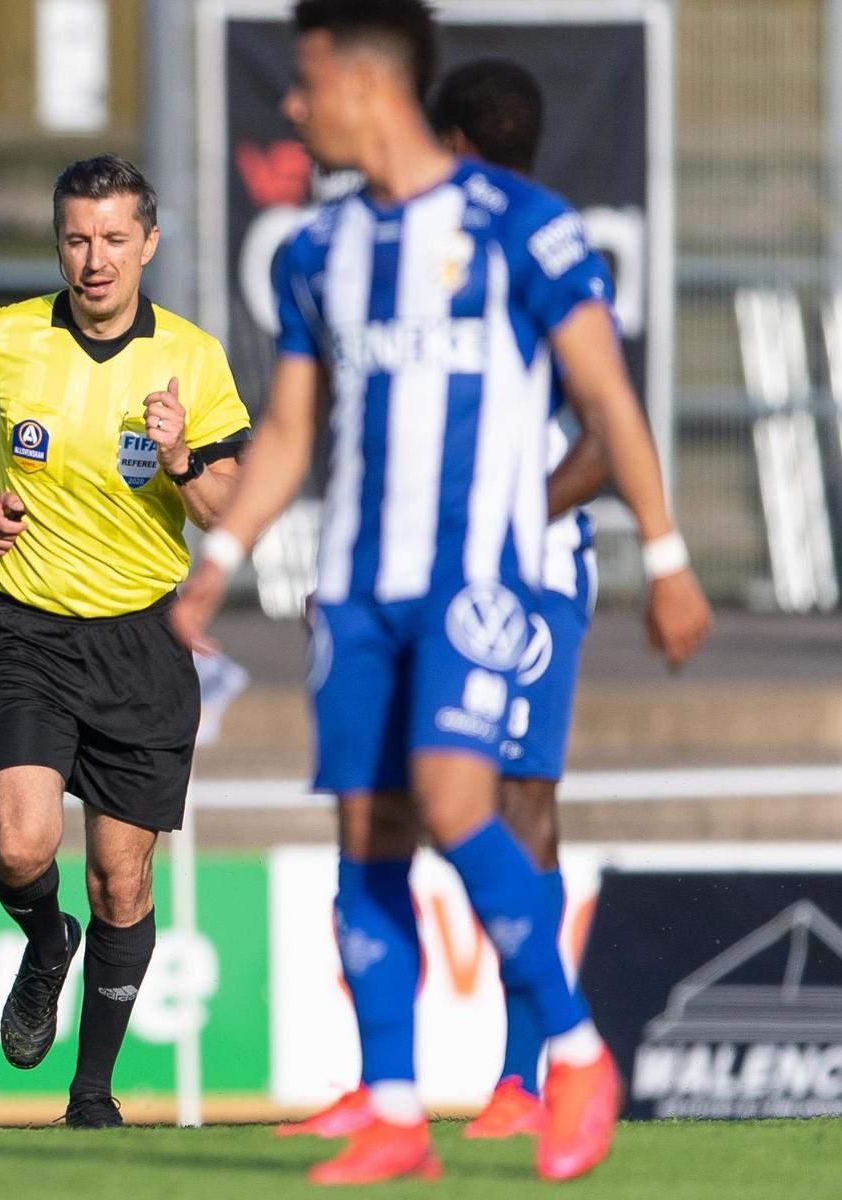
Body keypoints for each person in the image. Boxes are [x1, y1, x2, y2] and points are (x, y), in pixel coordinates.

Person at [171, 0, 712, 1184]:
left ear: (367, 85)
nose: (295, 108)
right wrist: (219, 564)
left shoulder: (523, 225)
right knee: (367, 834)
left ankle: (574, 1054)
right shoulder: (321, 250)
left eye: (308, 85)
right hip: (358, 589)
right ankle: (399, 1109)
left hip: (478, 581)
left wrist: (666, 560)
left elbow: (610, 401)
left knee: (460, 802)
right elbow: (292, 430)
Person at [277, 56, 615, 1145]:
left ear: (456, 146)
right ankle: (393, 1088)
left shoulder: (514, 247)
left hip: (531, 578)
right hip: (414, 577)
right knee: (387, 804)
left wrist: (505, 516)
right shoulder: (385, 254)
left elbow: (609, 437)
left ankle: (531, 1072)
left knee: (516, 804)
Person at [0, 154, 251, 1127]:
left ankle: (91, 1096)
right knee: (21, 849)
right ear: (57, 241)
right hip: (27, 630)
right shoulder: (4, 339)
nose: (93, 260)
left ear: (147, 241)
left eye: (112, 239)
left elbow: (233, 509)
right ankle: (41, 938)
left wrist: (183, 458)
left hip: (145, 640)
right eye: (75, 239)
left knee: (121, 877)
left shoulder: (192, 359)